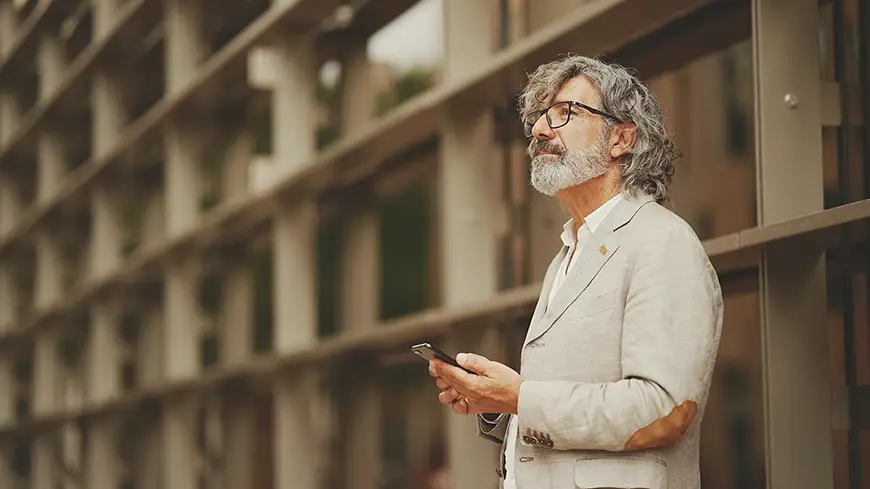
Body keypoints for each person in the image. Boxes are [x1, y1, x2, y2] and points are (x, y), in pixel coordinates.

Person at [428, 55, 723, 489]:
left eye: (564, 112)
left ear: (621, 138)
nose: (541, 130)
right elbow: (562, 409)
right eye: (539, 117)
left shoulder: (662, 243)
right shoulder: (569, 253)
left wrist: (520, 396)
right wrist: (497, 402)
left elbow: (664, 409)